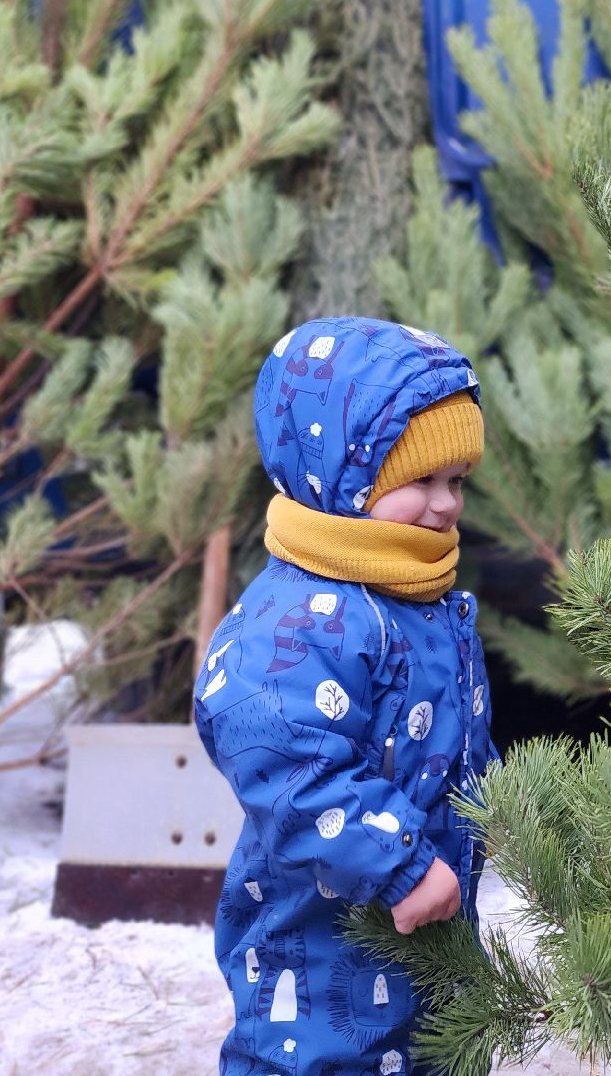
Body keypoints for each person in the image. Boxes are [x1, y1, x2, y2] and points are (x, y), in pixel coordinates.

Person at [192, 317, 498, 1076]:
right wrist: (397, 863)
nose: (445, 504)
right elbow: (283, 759)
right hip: (323, 942)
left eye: (456, 481)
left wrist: (507, 809)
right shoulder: (296, 617)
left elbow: (454, 733)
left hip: (433, 919)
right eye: (419, 481)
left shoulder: (417, 594)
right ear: (343, 475)